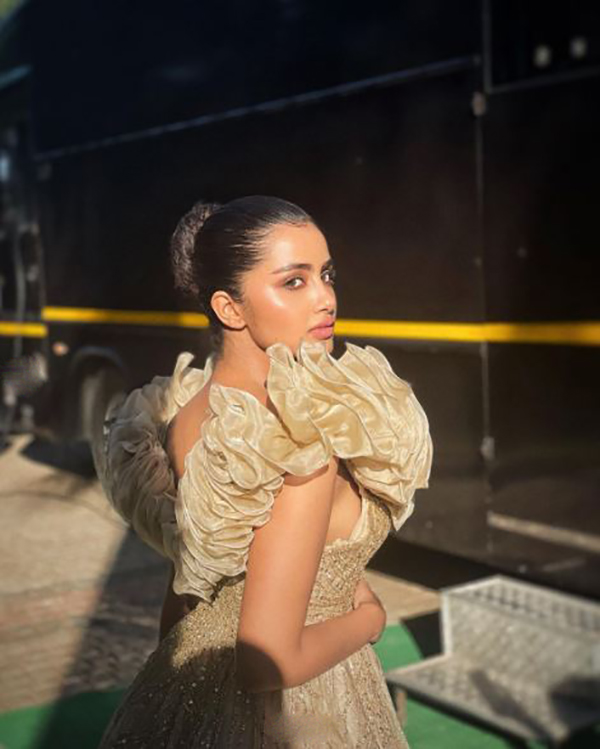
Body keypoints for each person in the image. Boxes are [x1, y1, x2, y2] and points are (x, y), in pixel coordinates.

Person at [95, 195, 433, 747]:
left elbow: (190, 587)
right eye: (294, 282)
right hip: (295, 709)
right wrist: (369, 619)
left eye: (326, 274)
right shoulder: (297, 437)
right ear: (229, 309)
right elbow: (268, 662)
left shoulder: (186, 413)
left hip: (190, 684)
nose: (326, 298)